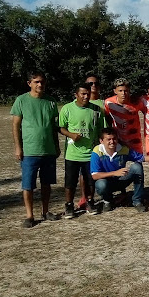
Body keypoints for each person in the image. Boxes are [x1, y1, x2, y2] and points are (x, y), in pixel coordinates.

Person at [11, 71, 60, 228]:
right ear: (29, 83)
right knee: (28, 185)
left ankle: (45, 211)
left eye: (42, 81)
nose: (40, 84)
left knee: (47, 184)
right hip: (29, 151)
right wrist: (18, 147)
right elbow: (16, 125)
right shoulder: (21, 100)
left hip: (48, 150)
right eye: (36, 82)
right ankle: (29, 215)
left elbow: (54, 127)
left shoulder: (51, 101)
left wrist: (57, 146)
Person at [90, 128, 149, 213]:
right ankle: (107, 201)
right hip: (107, 181)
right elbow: (95, 175)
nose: (112, 141)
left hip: (121, 179)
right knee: (101, 184)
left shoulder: (123, 149)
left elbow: (143, 158)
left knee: (137, 167)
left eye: (114, 138)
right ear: (101, 141)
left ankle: (137, 201)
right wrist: (115, 173)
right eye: (109, 139)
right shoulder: (97, 152)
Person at [59, 83, 103, 218]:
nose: (86, 97)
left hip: (90, 153)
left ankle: (90, 202)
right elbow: (60, 127)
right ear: (76, 95)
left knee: (90, 180)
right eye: (83, 94)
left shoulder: (96, 109)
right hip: (72, 154)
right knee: (70, 182)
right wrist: (71, 135)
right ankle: (69, 205)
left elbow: (101, 129)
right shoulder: (67, 108)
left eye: (88, 94)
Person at [76, 74, 106, 210]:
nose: (93, 86)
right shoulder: (78, 103)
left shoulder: (104, 103)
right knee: (84, 173)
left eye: (95, 83)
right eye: (90, 84)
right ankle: (84, 197)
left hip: (100, 143)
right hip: (83, 146)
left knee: (102, 169)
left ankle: (99, 197)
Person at [104, 78, 145, 154]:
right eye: (120, 91)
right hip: (118, 140)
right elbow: (107, 117)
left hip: (134, 141)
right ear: (115, 91)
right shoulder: (109, 103)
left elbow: (147, 112)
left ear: (129, 91)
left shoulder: (137, 102)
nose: (123, 93)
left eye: (125, 91)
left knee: (138, 162)